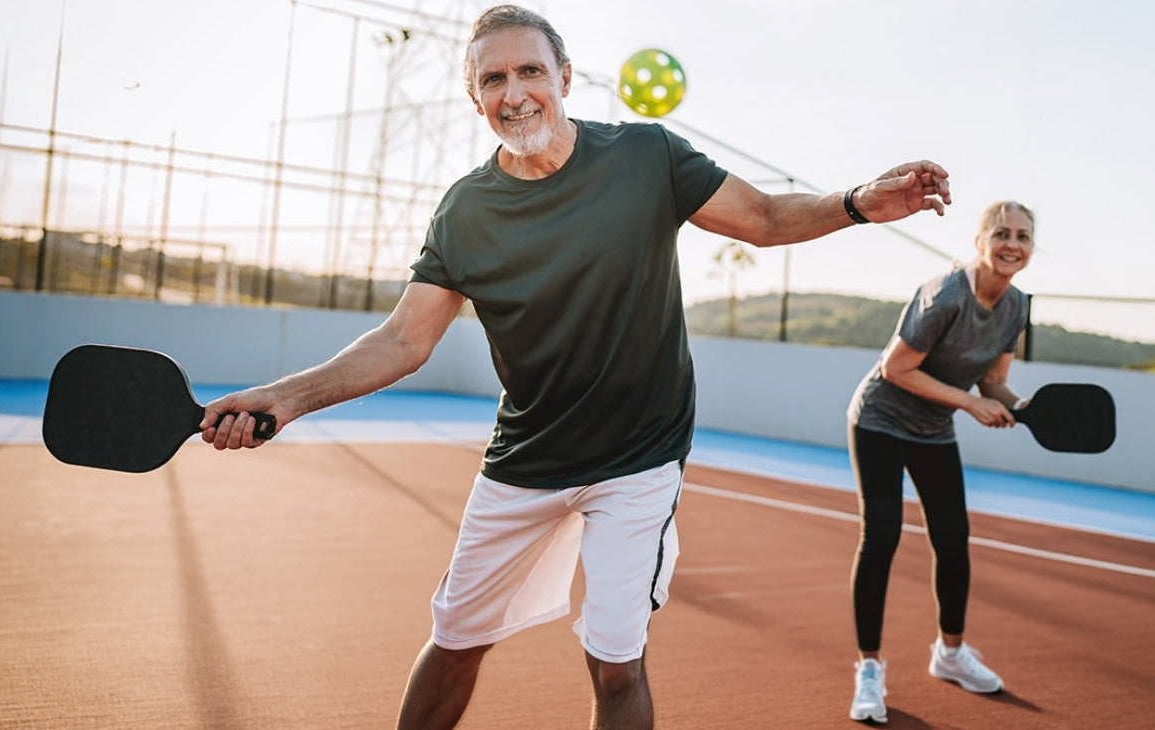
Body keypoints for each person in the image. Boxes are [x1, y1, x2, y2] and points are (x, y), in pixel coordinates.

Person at [201, 5, 952, 728]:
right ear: (475, 99)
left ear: (564, 75)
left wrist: (855, 202)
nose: (514, 92)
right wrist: (284, 398)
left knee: (616, 661)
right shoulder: (463, 212)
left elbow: (760, 219)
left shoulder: (645, 157)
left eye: (529, 70)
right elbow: (403, 341)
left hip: (638, 459)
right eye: (493, 80)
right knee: (456, 639)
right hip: (526, 457)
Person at [845, 201, 1035, 723]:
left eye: (1022, 236)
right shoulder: (945, 294)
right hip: (880, 419)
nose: (1011, 244)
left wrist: (1016, 405)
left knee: (953, 539)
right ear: (981, 241)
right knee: (880, 535)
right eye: (1001, 233)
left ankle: (949, 655)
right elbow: (896, 367)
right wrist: (973, 403)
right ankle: (869, 668)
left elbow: (992, 379)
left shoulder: (1018, 306)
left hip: (932, 428)